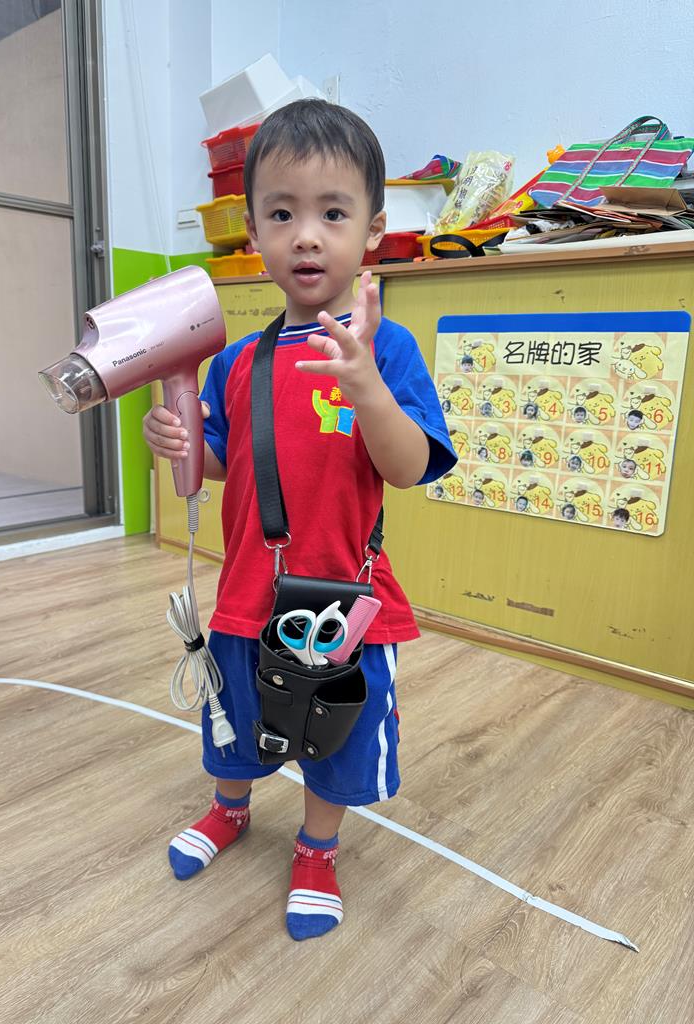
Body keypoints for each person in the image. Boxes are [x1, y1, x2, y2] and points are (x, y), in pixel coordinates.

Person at [143, 99, 457, 941]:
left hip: (342, 601)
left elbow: (410, 467)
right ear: (253, 231)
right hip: (247, 590)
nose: (307, 236)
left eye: (333, 214)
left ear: (374, 230)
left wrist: (368, 389)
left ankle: (318, 849)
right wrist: (177, 443)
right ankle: (230, 807)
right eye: (282, 214)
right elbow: (218, 463)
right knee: (234, 719)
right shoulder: (236, 361)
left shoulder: (386, 350)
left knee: (334, 734)